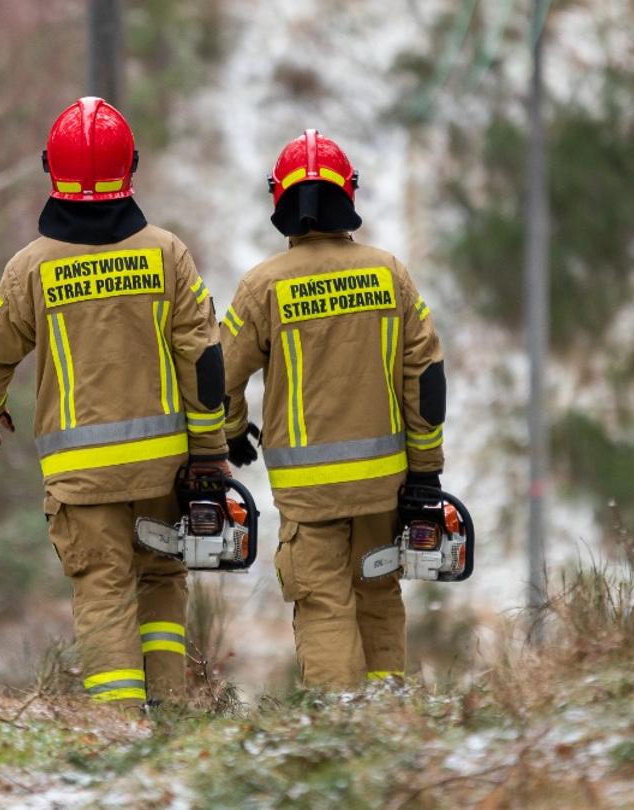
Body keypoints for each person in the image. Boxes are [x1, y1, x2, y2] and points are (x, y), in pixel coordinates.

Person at [0, 97, 228, 708]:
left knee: (103, 592)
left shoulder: (31, 267)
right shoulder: (167, 254)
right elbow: (204, 360)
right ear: (129, 166)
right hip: (162, 470)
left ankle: (117, 730)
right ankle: (168, 716)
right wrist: (210, 452)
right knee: (160, 581)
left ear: (50, 169)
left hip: (81, 482)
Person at [219, 130, 447, 689]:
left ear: (280, 199)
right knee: (379, 592)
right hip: (384, 486)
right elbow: (426, 379)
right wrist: (425, 471)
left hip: (309, 494)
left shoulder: (263, 286)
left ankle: (342, 720)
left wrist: (231, 431)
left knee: (323, 603)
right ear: (349, 193)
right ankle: (387, 711)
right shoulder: (390, 274)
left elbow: (218, 376)